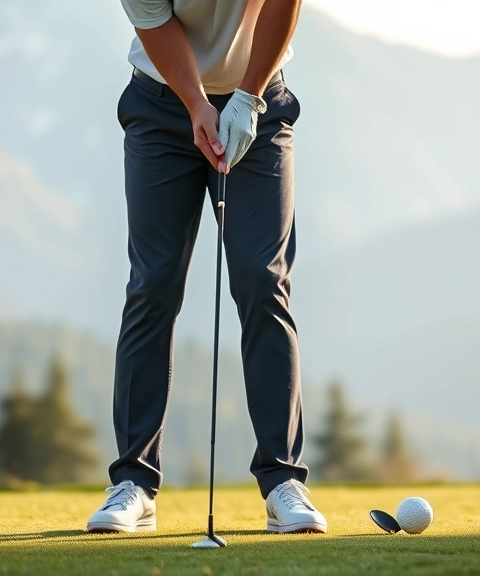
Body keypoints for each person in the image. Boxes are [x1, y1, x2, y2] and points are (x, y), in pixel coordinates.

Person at [86, 0, 326, 534]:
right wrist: (198, 104)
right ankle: (134, 483)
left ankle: (283, 479)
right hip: (160, 107)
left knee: (263, 282)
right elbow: (153, 21)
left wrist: (248, 95)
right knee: (153, 285)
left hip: (259, 103)